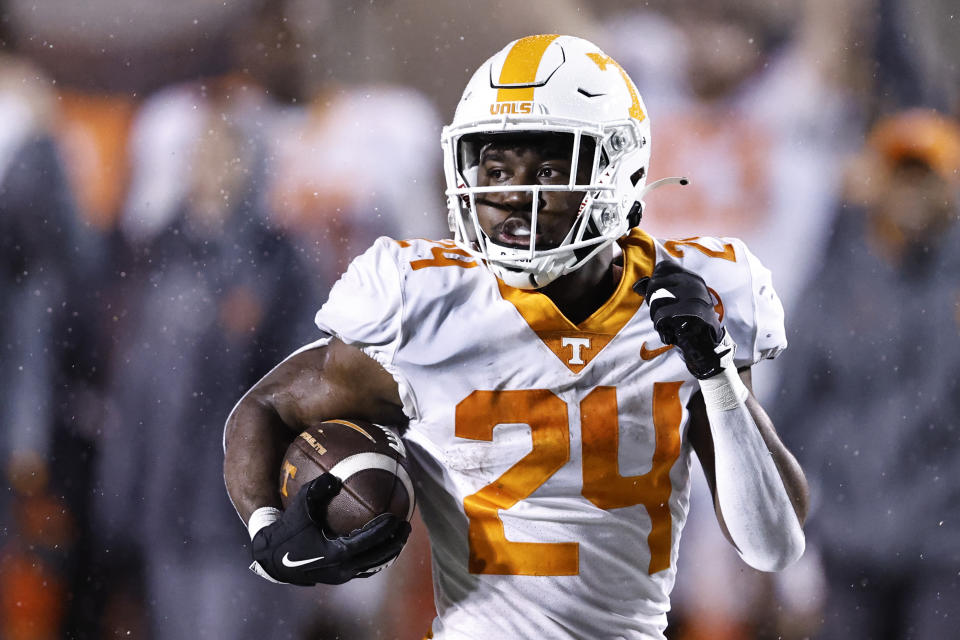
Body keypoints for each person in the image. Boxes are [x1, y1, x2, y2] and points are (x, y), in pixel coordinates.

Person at [223, 34, 809, 639]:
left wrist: (715, 372)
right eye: (496, 168)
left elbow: (771, 545)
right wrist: (268, 526)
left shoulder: (689, 300)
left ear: (619, 174)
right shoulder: (422, 304)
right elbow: (266, 406)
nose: (511, 196)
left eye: (549, 169)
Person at [772, 109, 960, 640]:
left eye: (926, 178)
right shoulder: (837, 280)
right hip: (852, 540)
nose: (912, 193)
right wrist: (792, 549)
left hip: (948, 545)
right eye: (901, 176)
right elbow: (792, 413)